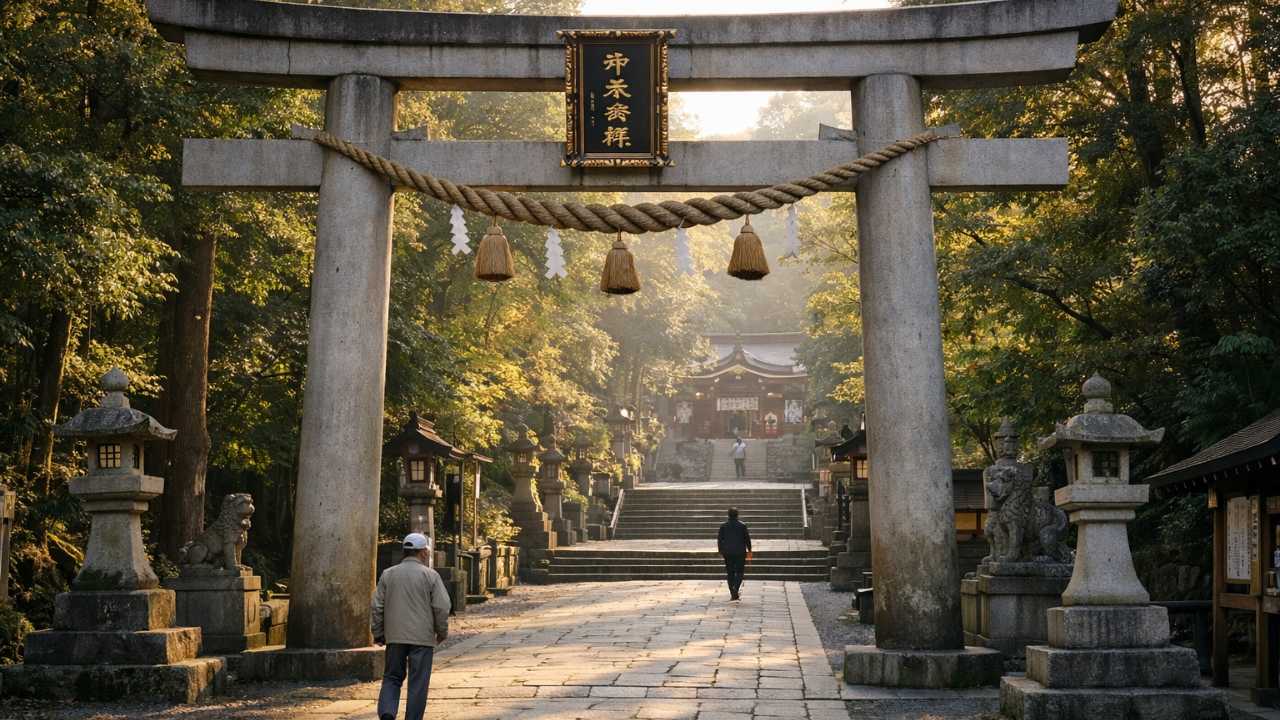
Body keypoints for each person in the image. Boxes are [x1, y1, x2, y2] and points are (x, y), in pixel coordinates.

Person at [371, 533, 452, 720]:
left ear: (405, 552)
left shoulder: (388, 574)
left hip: (395, 636)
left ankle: (387, 713)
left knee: (392, 677)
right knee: (418, 682)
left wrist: (378, 633)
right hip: (422, 638)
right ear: (423, 552)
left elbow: (376, 606)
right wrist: (442, 631)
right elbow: (442, 606)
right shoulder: (430, 575)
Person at [717, 507, 752, 601]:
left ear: (728, 515)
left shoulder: (723, 526)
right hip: (740, 552)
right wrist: (749, 550)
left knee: (730, 572)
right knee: (740, 572)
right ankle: (735, 589)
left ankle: (733, 592)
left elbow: (720, 539)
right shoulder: (742, 525)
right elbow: (747, 539)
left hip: (727, 552)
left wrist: (720, 550)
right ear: (737, 515)